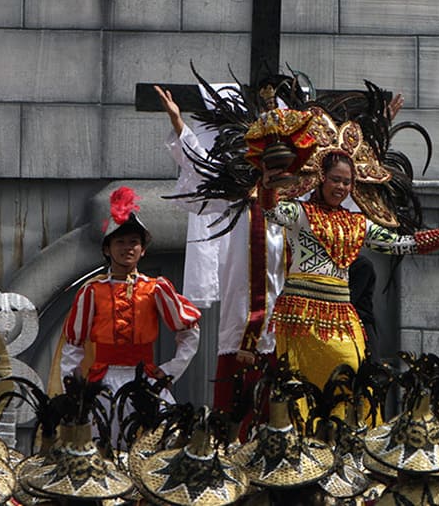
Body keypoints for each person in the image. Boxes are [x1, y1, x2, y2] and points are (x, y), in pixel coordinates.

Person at [259, 152, 439, 397]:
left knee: (351, 373)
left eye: (347, 182)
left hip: (341, 315)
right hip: (303, 315)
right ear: (321, 178)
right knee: (301, 387)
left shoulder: (358, 223)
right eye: (335, 179)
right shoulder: (300, 213)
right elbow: (271, 210)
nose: (341, 187)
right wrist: (268, 186)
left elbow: (398, 243)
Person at [156, 85, 284, 437]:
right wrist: (180, 125)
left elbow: (344, 191)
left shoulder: (299, 201)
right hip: (242, 319)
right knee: (236, 418)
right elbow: (200, 171)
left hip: (290, 321)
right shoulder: (238, 194)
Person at [58, 186, 201, 403]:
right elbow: (74, 344)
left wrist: (171, 370)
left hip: (146, 381)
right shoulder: (92, 291)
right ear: (107, 249)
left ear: (143, 249)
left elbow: (189, 331)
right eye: (120, 242)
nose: (128, 248)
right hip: (102, 385)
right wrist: (72, 384)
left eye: (134, 242)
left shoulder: (156, 288)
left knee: (160, 434)